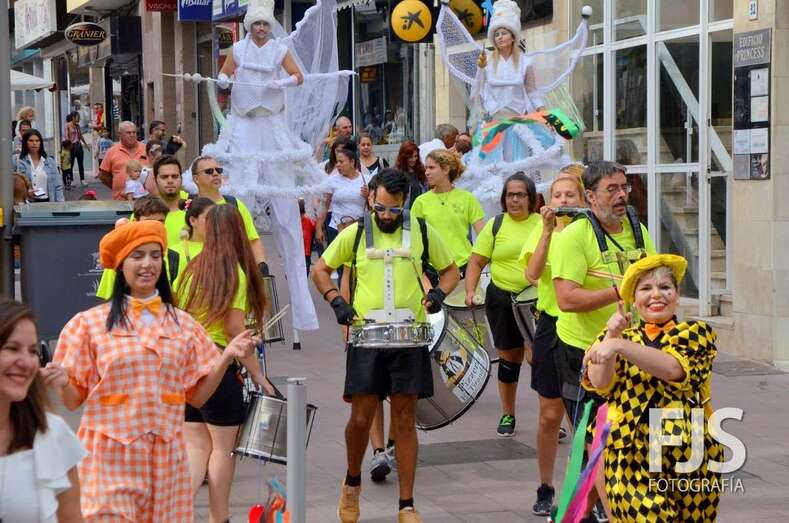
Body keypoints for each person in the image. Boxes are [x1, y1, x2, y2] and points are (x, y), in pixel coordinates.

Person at [48, 220, 257, 521]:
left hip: (167, 462)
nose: (148, 264)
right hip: (110, 460)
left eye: (155, 255)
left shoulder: (183, 325)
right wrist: (62, 380)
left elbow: (197, 397)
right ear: (120, 264)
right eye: (138, 255)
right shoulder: (89, 325)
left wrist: (227, 356)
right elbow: (71, 401)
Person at [311, 168, 460, 523]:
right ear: (370, 201)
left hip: (409, 339)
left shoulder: (421, 230)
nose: (387, 215)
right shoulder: (355, 232)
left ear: (404, 202)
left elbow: (451, 270)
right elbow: (320, 269)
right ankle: (352, 481)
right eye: (380, 208)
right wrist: (336, 302)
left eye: (394, 209)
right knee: (361, 417)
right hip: (367, 338)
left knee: (405, 419)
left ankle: (406, 504)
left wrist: (438, 295)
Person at [550, 161, 656, 521]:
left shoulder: (638, 231)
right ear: (590, 197)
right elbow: (566, 299)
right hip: (583, 353)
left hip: (631, 351)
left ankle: (581, 513)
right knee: (596, 444)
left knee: (625, 441)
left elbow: (654, 283)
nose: (622, 195)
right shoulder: (574, 237)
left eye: (624, 187)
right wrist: (620, 290)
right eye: (611, 189)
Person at [583, 254, 722, 522]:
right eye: (646, 288)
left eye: (665, 287)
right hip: (630, 453)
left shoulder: (696, 333)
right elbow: (599, 382)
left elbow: (672, 369)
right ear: (634, 300)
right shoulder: (618, 338)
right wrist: (612, 336)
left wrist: (619, 345)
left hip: (690, 452)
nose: (656, 295)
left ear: (677, 295)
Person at [174, 204, 275, 523]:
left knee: (196, 447)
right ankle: (219, 518)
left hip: (187, 366)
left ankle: (175, 512)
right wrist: (259, 375)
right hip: (219, 367)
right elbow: (233, 330)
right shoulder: (235, 273)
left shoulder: (192, 269)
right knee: (222, 448)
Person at [435, 0, 588, 205]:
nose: (500, 37)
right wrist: (476, 118)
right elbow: (477, 95)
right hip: (494, 128)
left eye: (504, 33)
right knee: (490, 175)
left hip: (519, 125)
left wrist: (544, 114)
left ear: (513, 36)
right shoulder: (486, 62)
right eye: (496, 34)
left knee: (522, 172)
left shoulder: (525, 62)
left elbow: (532, 93)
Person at [520, 167, 587, 515]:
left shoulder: (591, 230)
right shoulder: (543, 229)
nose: (563, 200)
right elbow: (531, 274)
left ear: (584, 198)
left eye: (570, 195)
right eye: (558, 195)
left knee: (584, 420)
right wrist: (547, 231)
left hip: (585, 327)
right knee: (550, 416)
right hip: (552, 325)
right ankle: (545, 486)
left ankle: (586, 490)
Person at [464, 172, 540, 437]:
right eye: (510, 195)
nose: (515, 200)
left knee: (539, 359)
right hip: (501, 299)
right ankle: (508, 415)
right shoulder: (495, 225)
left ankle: (548, 418)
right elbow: (476, 262)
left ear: (531, 198)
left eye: (520, 195)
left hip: (536, 301)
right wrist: (470, 290)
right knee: (509, 359)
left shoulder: (543, 224)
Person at [0, 298, 86, 522]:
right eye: (12, 348)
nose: (27, 362)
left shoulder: (52, 434)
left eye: (32, 351)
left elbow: (72, 517)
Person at [411, 149, 485, 279]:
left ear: (446, 169)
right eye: (426, 168)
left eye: (431, 167)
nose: (426, 172)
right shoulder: (420, 202)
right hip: (433, 273)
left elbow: (484, 236)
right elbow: (413, 240)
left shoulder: (467, 198)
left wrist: (476, 264)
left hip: (464, 270)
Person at [190, 155, 267, 266]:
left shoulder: (235, 204)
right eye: (209, 171)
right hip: (198, 270)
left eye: (219, 170)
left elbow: (253, 240)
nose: (215, 174)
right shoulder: (188, 207)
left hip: (233, 272)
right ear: (196, 179)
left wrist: (262, 265)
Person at [316, 141, 367, 260]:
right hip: (337, 227)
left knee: (357, 263)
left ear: (352, 162)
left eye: (341, 162)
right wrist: (319, 228)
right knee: (339, 264)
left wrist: (367, 195)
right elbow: (324, 205)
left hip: (359, 228)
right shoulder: (331, 181)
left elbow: (373, 205)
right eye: (337, 162)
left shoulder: (366, 179)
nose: (338, 165)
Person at [99, 121, 148, 200]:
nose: (132, 135)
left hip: (144, 201)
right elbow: (103, 175)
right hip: (120, 201)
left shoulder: (146, 149)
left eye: (134, 132)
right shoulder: (112, 151)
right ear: (120, 134)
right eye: (128, 133)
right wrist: (117, 187)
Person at [16, 129, 65, 203]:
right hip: (29, 203)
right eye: (31, 141)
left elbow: (58, 186)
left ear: (40, 143)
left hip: (49, 202)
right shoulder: (20, 162)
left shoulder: (50, 161)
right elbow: (18, 186)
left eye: (37, 141)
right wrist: (27, 192)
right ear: (26, 142)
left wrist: (61, 204)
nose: (34, 143)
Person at [392, 141, 426, 210]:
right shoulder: (397, 174)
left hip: (420, 210)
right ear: (404, 157)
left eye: (416, 156)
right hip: (404, 212)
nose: (414, 159)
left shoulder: (421, 171)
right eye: (410, 157)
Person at [65, 111, 89, 187]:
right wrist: (67, 146)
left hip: (79, 146)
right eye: (78, 117)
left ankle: (82, 179)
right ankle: (71, 180)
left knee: (81, 164)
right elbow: (66, 136)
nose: (79, 118)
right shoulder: (67, 125)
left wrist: (86, 145)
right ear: (73, 117)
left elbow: (80, 136)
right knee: (71, 164)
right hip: (71, 146)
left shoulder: (77, 126)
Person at [300, 198, 317, 276]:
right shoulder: (309, 221)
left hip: (305, 251)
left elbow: (315, 226)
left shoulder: (308, 221)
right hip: (302, 251)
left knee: (305, 268)